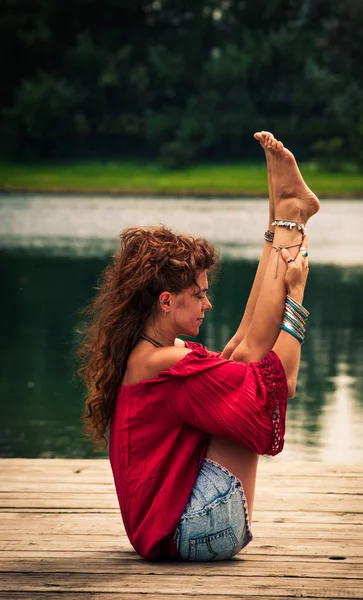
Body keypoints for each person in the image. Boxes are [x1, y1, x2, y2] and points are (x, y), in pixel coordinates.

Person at [79, 132, 320, 562]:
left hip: (172, 525)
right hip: (195, 527)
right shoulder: (162, 363)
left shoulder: (147, 354)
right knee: (251, 385)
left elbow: (239, 346)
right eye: (200, 294)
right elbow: (281, 382)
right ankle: (290, 218)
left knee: (235, 360)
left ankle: (283, 217)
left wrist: (277, 232)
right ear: (167, 301)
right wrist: (296, 297)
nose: (208, 303)